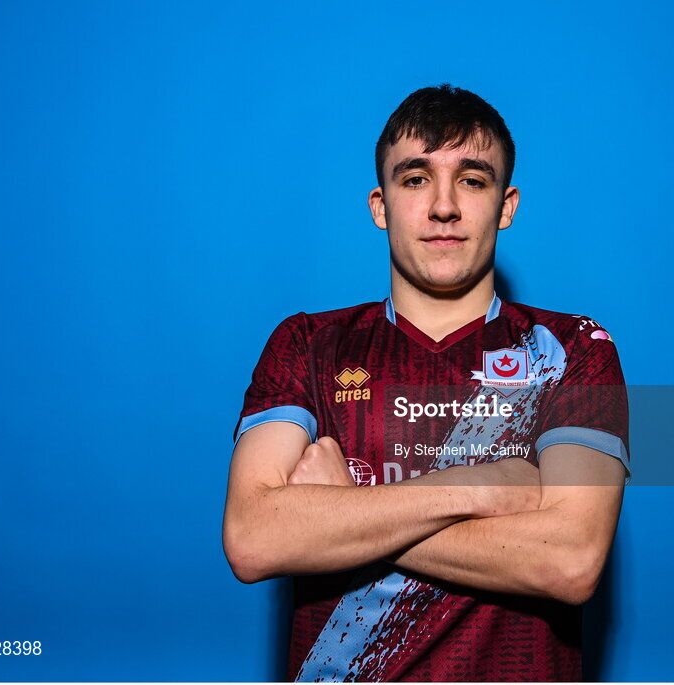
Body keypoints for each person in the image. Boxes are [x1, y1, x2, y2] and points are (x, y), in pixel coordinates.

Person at [222, 84, 630, 682]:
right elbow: (255, 539)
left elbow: (570, 561)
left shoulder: (575, 349)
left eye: (472, 179)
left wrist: (338, 515)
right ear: (380, 205)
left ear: (506, 205)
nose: (443, 206)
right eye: (415, 179)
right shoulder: (307, 344)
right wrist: (484, 489)